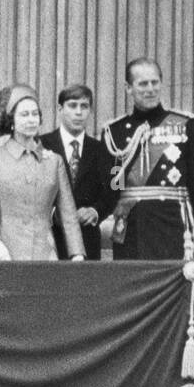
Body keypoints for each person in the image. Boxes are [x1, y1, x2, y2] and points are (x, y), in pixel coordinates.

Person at [102, 58, 194, 260]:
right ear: (128, 88)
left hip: (172, 229)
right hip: (131, 230)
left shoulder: (186, 126)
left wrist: (184, 222)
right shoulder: (114, 132)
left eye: (155, 82)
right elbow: (111, 189)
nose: (150, 89)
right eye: (142, 84)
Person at [0, 88, 84, 262]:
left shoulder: (54, 161)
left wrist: (76, 253)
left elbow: (68, 212)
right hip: (3, 254)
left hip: (44, 254)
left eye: (35, 114)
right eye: (24, 115)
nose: (31, 120)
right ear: (11, 120)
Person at [39, 83, 117, 260]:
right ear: (60, 108)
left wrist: (96, 211)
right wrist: (53, 213)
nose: (78, 112)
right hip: (50, 237)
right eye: (72, 105)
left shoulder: (104, 150)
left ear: (90, 110)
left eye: (84, 106)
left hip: (87, 238)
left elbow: (114, 189)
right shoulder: (41, 145)